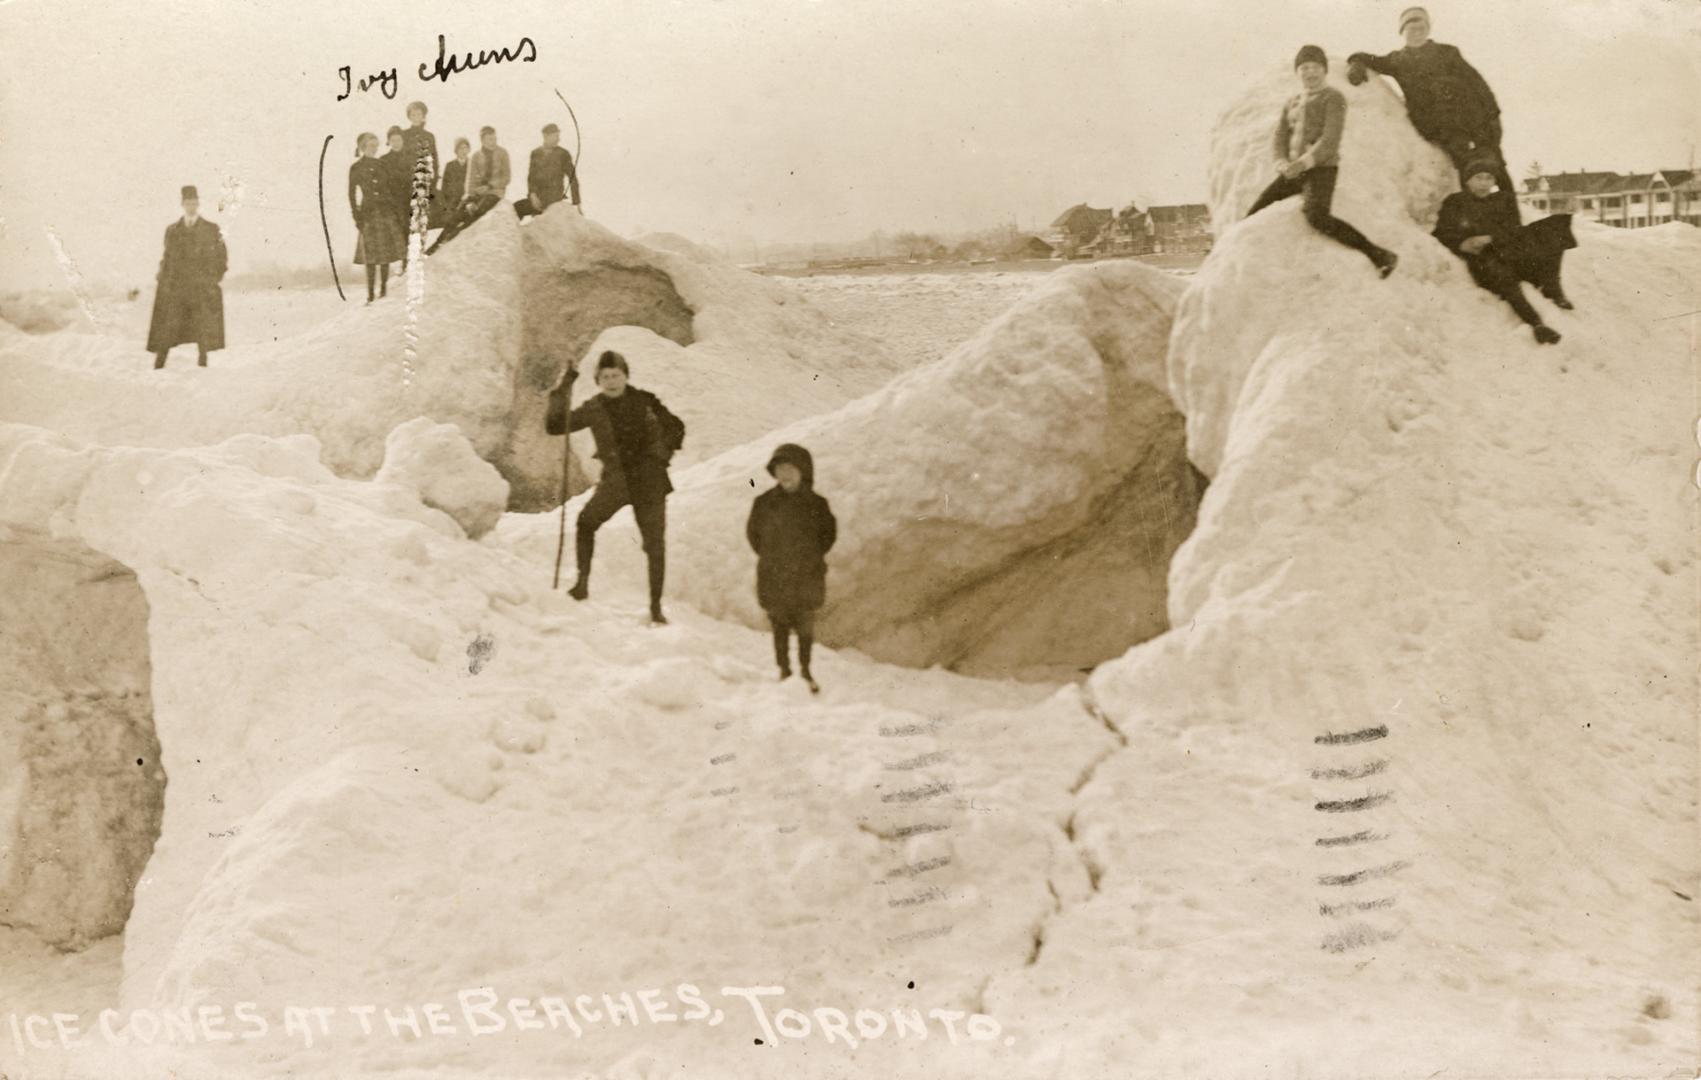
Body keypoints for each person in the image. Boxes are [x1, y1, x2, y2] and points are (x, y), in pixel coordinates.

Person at [545, 350, 685, 625]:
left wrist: (661, 456)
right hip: (616, 482)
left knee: (654, 544)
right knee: (586, 522)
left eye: (616, 375)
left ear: (625, 376)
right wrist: (566, 384)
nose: (611, 381)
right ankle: (582, 585)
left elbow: (676, 428)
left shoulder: (645, 401)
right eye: (605, 376)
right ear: (598, 379)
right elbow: (554, 426)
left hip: (649, 482)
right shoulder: (594, 408)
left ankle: (656, 607)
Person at [1245, 45, 1399, 278]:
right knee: (1254, 213)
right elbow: (1279, 139)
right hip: (1292, 171)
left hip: (1321, 169)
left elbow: (1330, 140)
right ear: (1298, 73)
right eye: (1304, 68)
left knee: (1316, 216)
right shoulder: (1292, 102)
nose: (1310, 73)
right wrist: (1282, 164)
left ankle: (1378, 254)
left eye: (1315, 67)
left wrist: (1303, 163)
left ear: (1324, 70)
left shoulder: (1333, 98)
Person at [1347, 7, 1516, 209]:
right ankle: (1477, 222)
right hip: (1445, 130)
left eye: (1421, 28)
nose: (1417, 33)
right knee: (1469, 171)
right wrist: (1355, 63)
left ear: (1428, 30)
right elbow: (1367, 58)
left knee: (1497, 168)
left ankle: (1514, 226)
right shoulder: (1398, 60)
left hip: (1475, 121)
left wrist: (1493, 117)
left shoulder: (1447, 53)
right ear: (1402, 32)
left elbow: (1478, 84)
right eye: (1411, 29)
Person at [1432, 155, 1575, 345]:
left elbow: (1514, 230)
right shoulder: (1456, 202)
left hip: (1511, 252)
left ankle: (1552, 287)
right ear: (1468, 180)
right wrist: (1462, 243)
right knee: (1503, 275)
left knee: (1557, 225)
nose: (1484, 183)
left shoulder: (1501, 200)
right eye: (1479, 178)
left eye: (1489, 178)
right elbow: (1441, 233)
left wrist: (1491, 237)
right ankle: (1537, 324)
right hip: (1487, 260)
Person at [746, 444, 837, 693]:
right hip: (775, 575)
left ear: (803, 471)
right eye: (780, 469)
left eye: (790, 469)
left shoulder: (818, 505)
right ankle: (784, 670)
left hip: (806, 576)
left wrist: (808, 558)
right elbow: (754, 536)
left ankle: (806, 671)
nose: (785, 475)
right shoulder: (763, 503)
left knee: (805, 625)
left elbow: (827, 536)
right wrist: (773, 558)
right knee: (780, 625)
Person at [146, 185, 226, 369]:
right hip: (177, 290)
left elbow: (222, 258)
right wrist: (163, 278)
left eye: (194, 203)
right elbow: (166, 258)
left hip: (200, 289)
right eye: (187, 203)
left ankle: (203, 366)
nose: (191, 207)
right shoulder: (173, 230)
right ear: (182, 204)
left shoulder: (211, 229)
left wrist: (211, 280)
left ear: (198, 204)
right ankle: (158, 367)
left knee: (202, 330)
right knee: (168, 327)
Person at [425, 126, 510, 254]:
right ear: (482, 140)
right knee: (458, 214)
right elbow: (470, 181)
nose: (492, 142)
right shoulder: (476, 156)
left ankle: (452, 241)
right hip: (477, 193)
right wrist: (469, 198)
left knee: (476, 213)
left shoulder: (502, 153)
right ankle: (436, 246)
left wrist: (490, 186)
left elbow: (506, 177)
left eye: (494, 138)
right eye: (489, 139)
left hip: (494, 193)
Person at [348, 132, 403, 302]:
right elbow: (351, 194)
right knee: (370, 256)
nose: (375, 148)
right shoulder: (356, 167)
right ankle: (370, 294)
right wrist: (357, 217)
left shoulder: (382, 164)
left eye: (376, 145)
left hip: (385, 212)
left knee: (385, 253)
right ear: (363, 147)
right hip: (368, 214)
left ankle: (384, 290)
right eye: (371, 145)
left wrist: (393, 210)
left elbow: (390, 188)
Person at [514, 123, 580, 219]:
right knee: (516, 208)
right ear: (545, 136)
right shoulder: (535, 153)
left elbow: (573, 178)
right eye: (555, 136)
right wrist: (532, 195)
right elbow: (531, 177)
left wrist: (576, 202)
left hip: (554, 200)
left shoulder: (563, 154)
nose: (558, 139)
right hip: (537, 199)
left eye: (558, 136)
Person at [400, 101, 440, 234]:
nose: (416, 117)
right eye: (413, 114)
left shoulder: (429, 136)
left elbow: (435, 161)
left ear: (423, 116)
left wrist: (432, 183)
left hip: (424, 183)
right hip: (407, 182)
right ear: (409, 117)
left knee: (423, 219)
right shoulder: (403, 135)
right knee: (407, 218)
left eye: (419, 114)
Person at [379, 126, 413, 268]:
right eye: (393, 140)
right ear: (388, 142)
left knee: (412, 230)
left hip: (410, 198)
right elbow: (383, 182)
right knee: (399, 230)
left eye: (398, 139)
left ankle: (413, 260)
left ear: (403, 140)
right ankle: (404, 262)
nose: (396, 143)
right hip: (394, 200)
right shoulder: (384, 160)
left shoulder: (411, 156)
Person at [432, 137, 471, 229]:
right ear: (456, 151)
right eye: (460, 148)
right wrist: (446, 203)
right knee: (450, 223)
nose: (463, 151)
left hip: (467, 199)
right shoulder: (450, 166)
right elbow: (444, 186)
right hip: (453, 201)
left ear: (469, 149)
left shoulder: (472, 164)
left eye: (465, 148)